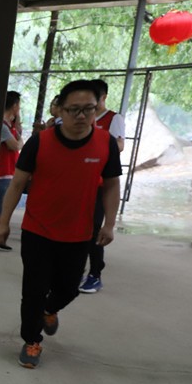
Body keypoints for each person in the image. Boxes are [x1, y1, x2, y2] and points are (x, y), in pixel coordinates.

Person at [0, 80, 122, 369]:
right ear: (60, 110)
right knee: (34, 289)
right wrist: (3, 222)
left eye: (88, 109)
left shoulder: (105, 144)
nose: (81, 116)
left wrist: (109, 223)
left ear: (97, 109)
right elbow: (17, 184)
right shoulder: (40, 142)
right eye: (74, 109)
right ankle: (31, 340)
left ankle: (49, 310)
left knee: (69, 288)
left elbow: (112, 185)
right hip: (38, 230)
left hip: (79, 232)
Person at [80, 78, 127, 294]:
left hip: (99, 185)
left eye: (94, 98)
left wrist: (97, 143)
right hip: (79, 183)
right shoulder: (82, 117)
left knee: (94, 231)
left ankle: (95, 274)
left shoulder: (113, 118)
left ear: (103, 98)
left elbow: (119, 145)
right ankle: (76, 269)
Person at [0, 91, 23, 255]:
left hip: (9, 172)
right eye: (18, 105)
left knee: (0, 210)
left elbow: (18, 138)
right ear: (14, 106)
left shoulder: (9, 126)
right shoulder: (2, 126)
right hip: (1, 173)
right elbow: (15, 145)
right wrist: (20, 142)